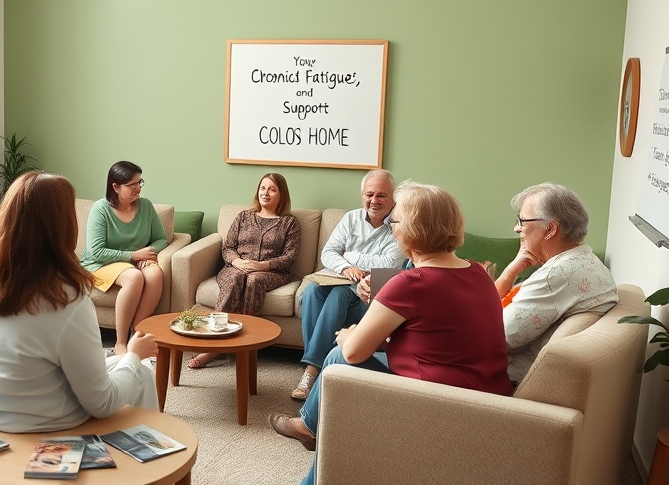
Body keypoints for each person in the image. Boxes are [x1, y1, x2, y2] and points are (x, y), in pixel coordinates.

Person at [268, 181, 512, 485]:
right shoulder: (477, 271)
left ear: (412, 230)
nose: (391, 228)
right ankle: (310, 435)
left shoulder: (411, 282)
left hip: (440, 400)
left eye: (394, 221)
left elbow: (354, 352)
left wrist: (348, 336)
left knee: (338, 357)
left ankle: (308, 427)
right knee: (344, 371)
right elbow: (433, 332)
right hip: (487, 395)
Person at [0, 172, 159, 433]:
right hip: (38, 424)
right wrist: (134, 355)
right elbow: (102, 403)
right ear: (64, 225)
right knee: (140, 372)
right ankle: (150, 452)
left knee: (115, 366)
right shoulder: (67, 297)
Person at [292, 169, 405, 400]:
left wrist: (349, 256)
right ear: (362, 195)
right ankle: (318, 367)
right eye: (369, 194)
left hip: (370, 298)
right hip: (341, 281)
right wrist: (345, 267)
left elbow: (390, 263)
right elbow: (328, 253)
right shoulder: (351, 218)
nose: (374, 200)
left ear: (393, 197)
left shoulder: (398, 223)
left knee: (339, 295)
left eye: (381, 195)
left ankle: (311, 371)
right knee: (312, 292)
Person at [494, 183, 617, 383]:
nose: (517, 228)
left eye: (522, 221)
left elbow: (495, 337)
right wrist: (512, 270)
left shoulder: (555, 276)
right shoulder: (587, 260)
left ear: (550, 229)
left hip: (500, 381)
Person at [188, 173, 301, 369]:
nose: (265, 193)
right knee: (236, 278)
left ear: (282, 194)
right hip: (236, 267)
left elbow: (289, 257)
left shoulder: (290, 223)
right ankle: (213, 344)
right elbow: (228, 247)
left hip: (271, 272)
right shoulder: (243, 217)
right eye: (263, 188)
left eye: (272, 189)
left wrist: (262, 265)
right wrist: (238, 261)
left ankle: (246, 343)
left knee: (254, 280)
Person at [80, 161, 168, 356]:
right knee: (134, 277)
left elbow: (161, 238)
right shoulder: (100, 209)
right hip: (101, 263)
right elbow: (96, 252)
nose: (138, 188)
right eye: (132, 185)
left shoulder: (146, 206)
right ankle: (120, 343)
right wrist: (133, 255)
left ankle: (137, 335)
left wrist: (149, 252)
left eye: (140, 182)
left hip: (133, 261)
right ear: (116, 187)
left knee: (155, 274)